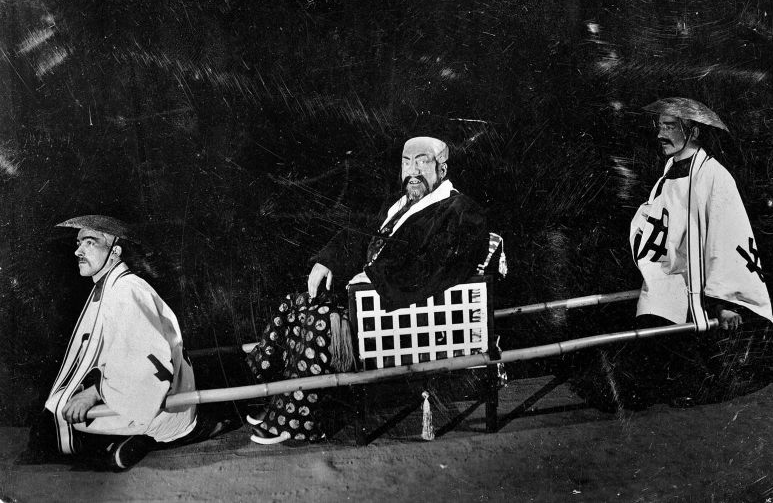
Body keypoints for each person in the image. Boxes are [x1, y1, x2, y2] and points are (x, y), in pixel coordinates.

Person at [245, 136, 495, 445]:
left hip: (413, 316)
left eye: (421, 162)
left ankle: (298, 422)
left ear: (442, 169)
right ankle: (282, 403)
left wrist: (370, 280)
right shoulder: (402, 205)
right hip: (375, 305)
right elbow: (364, 236)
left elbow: (437, 268)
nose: (412, 171)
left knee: (318, 320)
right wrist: (327, 260)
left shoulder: (461, 210)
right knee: (295, 304)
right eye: (406, 162)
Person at [574, 98, 773, 411]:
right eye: (660, 126)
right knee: (655, 323)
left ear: (692, 131)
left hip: (699, 279)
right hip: (671, 273)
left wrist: (724, 303)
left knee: (678, 342)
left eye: (668, 127)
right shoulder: (670, 172)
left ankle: (685, 386)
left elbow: (729, 235)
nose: (660, 134)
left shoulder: (713, 176)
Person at [28, 215, 203, 470]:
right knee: (55, 415)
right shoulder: (111, 287)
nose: (78, 251)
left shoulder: (126, 291)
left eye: (89, 242)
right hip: (143, 394)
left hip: (161, 404)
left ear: (115, 251)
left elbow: (147, 365)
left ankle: (138, 441)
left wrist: (93, 392)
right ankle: (125, 442)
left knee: (56, 427)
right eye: (78, 243)